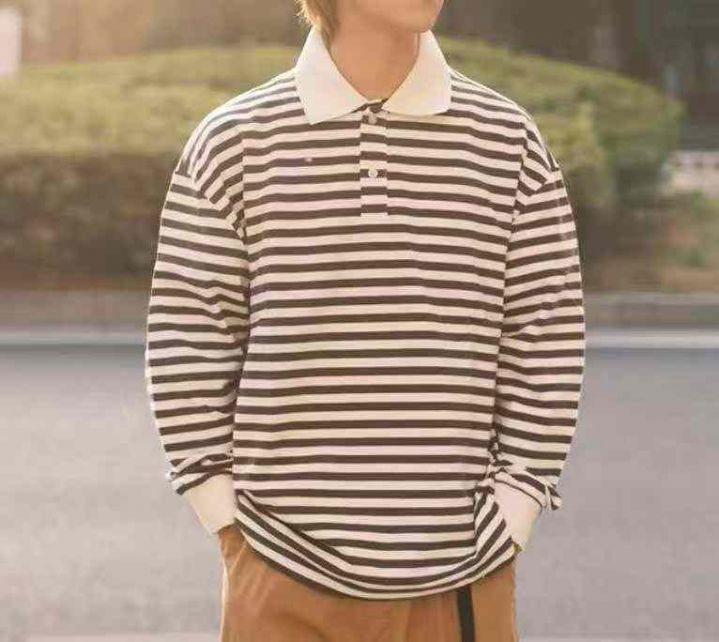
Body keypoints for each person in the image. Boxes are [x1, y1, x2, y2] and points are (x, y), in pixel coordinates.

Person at [143, 0, 587, 639]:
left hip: (462, 575)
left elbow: (545, 336)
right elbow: (188, 338)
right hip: (279, 563)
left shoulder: (508, 140)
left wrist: (515, 506)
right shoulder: (234, 140)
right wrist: (226, 519)